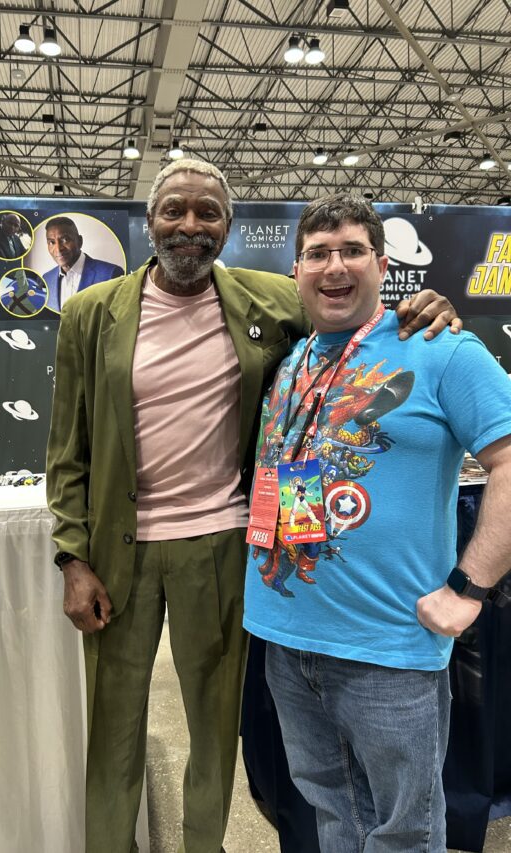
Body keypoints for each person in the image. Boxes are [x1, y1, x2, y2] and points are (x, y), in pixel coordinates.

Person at [45, 161, 460, 853]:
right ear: (150, 221)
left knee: (214, 730)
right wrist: (71, 556)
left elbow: (349, 307)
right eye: (175, 210)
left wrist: (425, 307)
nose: (190, 225)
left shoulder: (268, 299)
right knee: (112, 727)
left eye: (207, 212)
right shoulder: (92, 313)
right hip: (118, 552)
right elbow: (67, 446)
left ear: (228, 227)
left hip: (224, 544)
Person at [243, 193, 511, 853]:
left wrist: (469, 587)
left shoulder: (442, 349)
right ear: (296, 270)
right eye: (317, 253)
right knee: (331, 811)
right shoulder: (293, 362)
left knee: (404, 829)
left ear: (382, 264)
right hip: (287, 641)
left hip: (387, 649)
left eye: (352, 251)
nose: (335, 267)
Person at [42, 216, 123, 312]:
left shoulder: (111, 274)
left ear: (80, 241)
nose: (58, 249)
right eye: (52, 242)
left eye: (65, 240)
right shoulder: (46, 279)